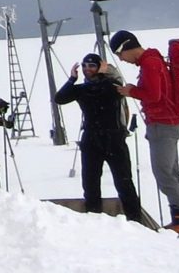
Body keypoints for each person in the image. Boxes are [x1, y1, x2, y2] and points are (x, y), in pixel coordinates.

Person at [110, 29, 179, 238]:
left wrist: (131, 91)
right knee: (172, 172)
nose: (122, 59)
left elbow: (154, 95)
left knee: (163, 172)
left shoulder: (150, 63)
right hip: (168, 123)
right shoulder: (153, 60)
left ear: (126, 47)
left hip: (162, 125)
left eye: (120, 54)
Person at [54, 50, 151, 228]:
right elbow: (59, 98)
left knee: (123, 182)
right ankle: (94, 221)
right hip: (91, 139)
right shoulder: (82, 89)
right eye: (84, 65)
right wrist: (71, 79)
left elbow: (114, 85)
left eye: (91, 65)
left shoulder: (111, 86)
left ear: (100, 68)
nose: (86, 69)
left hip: (114, 138)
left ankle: (135, 221)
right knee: (90, 183)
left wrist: (105, 72)